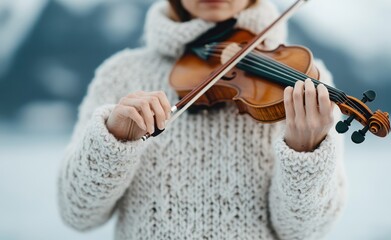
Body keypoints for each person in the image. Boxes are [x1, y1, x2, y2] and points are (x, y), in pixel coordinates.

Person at [58, 0, 347, 239]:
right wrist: (114, 138)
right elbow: (78, 214)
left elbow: (305, 232)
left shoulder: (304, 77)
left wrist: (305, 154)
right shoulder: (121, 73)